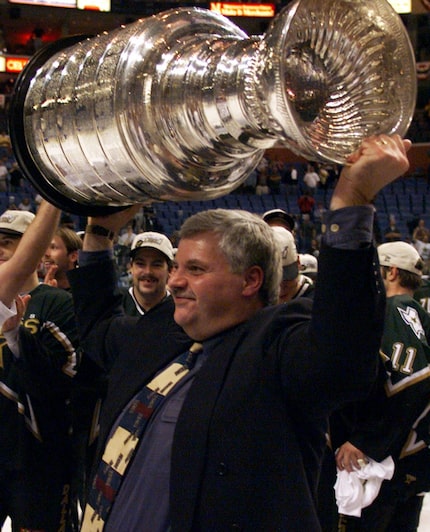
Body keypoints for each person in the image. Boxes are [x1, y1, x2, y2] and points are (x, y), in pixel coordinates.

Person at [68, 135, 410, 531]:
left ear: (250, 280)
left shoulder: (274, 345)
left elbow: (341, 356)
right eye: (176, 267)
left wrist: (352, 201)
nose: (175, 281)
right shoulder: (162, 331)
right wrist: (99, 234)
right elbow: (98, 331)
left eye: (194, 269)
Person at [335, 241, 430, 531]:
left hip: (382, 465)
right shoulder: (420, 316)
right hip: (413, 460)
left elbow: (412, 379)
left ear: (390, 273)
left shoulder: (392, 310)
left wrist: (367, 440)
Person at [0, 204, 80, 531]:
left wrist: (16, 336)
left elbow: (63, 380)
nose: (0, 249)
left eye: (9, 241)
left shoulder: (58, 302)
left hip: (37, 458)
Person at [122, 231, 174, 316]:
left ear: (170, 270)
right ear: (131, 267)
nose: (148, 271)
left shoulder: (181, 313)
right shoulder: (114, 308)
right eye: (140, 264)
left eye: (156, 265)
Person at [272, 225, 314, 302]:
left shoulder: (316, 302)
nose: (281, 286)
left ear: (298, 263)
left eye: (287, 277)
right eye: (274, 279)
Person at [43, 226, 83, 290]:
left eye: (53, 247)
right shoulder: (36, 291)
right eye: (44, 247)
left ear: (73, 256)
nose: (46, 254)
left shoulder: (86, 291)